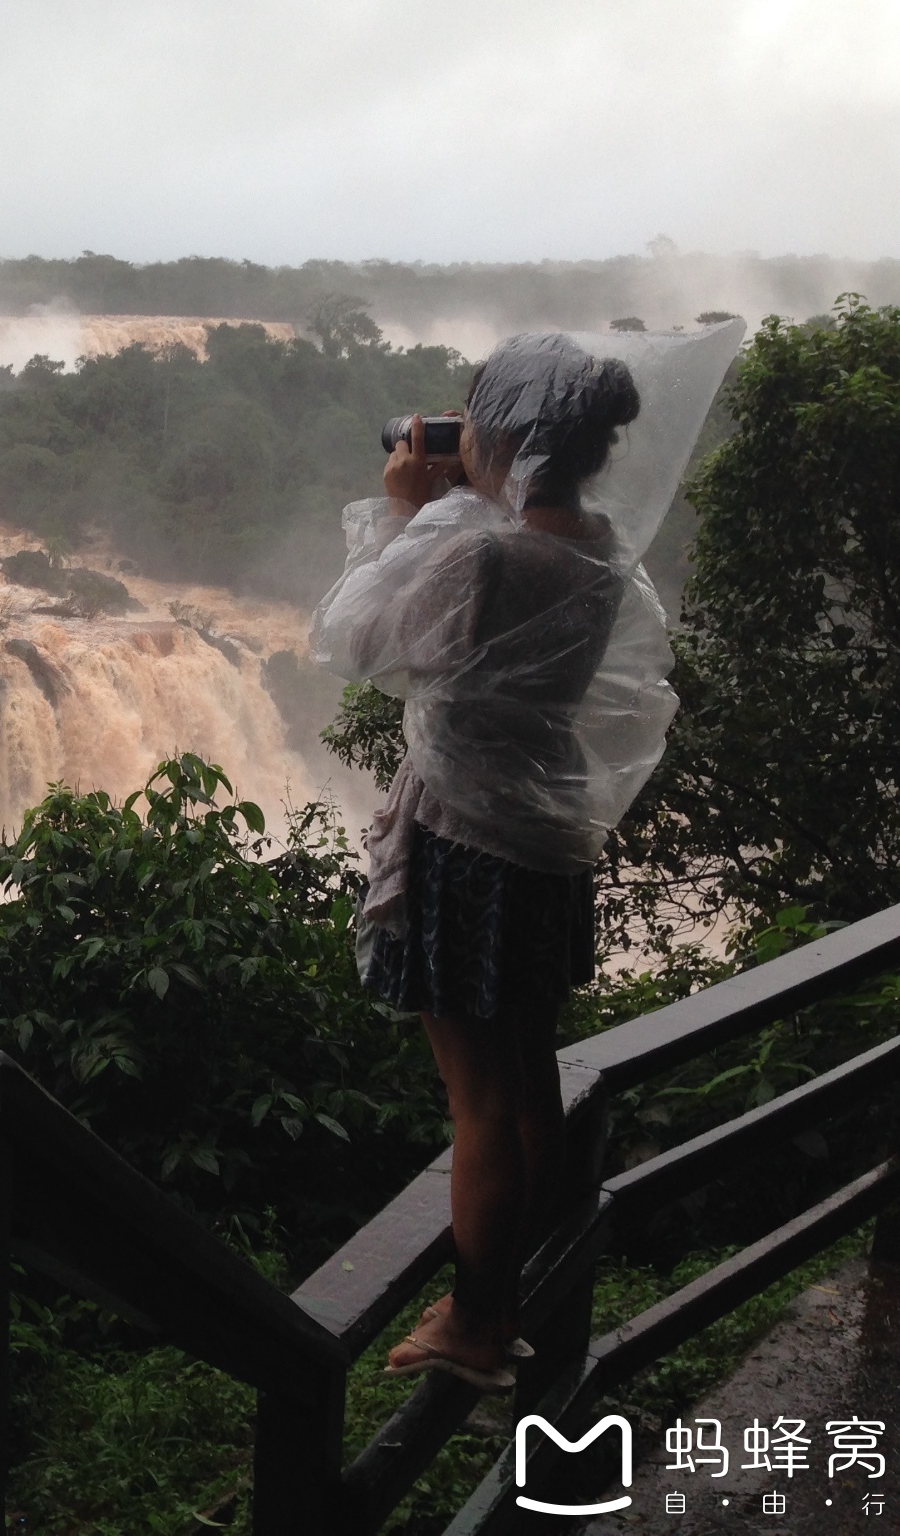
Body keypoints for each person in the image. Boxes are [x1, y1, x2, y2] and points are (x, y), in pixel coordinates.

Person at [311, 334, 645, 1390]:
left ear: (503, 434)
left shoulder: (479, 549)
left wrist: (405, 511)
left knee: (479, 1104)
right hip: (543, 841)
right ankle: (520, 1278)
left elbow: (353, 642)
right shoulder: (599, 546)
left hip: (465, 843)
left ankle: (473, 1321)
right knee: (527, 1073)